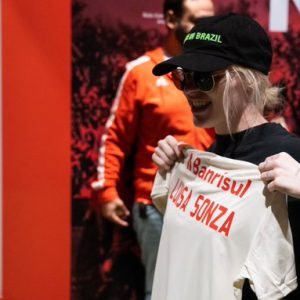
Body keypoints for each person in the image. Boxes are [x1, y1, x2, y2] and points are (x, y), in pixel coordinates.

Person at [151, 13, 300, 299]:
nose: (191, 89)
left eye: (204, 78)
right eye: (184, 77)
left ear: (246, 80)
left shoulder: (289, 158)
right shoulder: (200, 162)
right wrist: (175, 171)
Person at [91, 1, 215, 299]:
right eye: (197, 21)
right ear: (171, 19)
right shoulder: (141, 73)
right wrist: (107, 190)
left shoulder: (218, 71)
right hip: (157, 204)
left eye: (211, 21)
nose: (206, 29)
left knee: (211, 287)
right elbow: (115, 137)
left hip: (214, 202)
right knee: (161, 290)